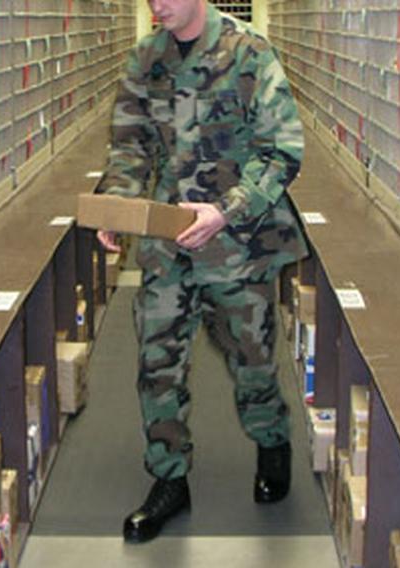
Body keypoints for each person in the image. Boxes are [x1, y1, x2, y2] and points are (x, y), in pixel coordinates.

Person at [95, 0, 307, 544]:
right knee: (157, 360)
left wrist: (227, 210)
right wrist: (116, 205)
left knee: (252, 359)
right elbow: (129, 145)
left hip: (238, 243)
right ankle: (169, 479)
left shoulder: (250, 53)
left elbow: (282, 151)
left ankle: (272, 442)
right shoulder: (147, 58)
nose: (155, 5)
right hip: (169, 243)